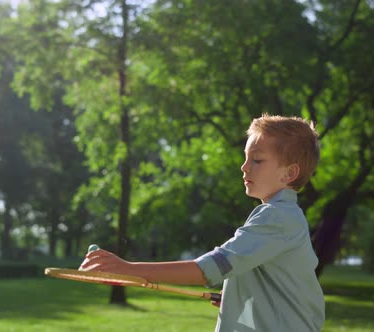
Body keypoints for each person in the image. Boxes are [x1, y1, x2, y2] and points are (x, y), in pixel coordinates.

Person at [80, 114, 325, 331]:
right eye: (245, 158)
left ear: (289, 173)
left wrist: (128, 270)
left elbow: (210, 269)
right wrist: (233, 295)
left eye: (257, 160)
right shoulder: (283, 216)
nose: (244, 167)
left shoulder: (277, 217)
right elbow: (270, 282)